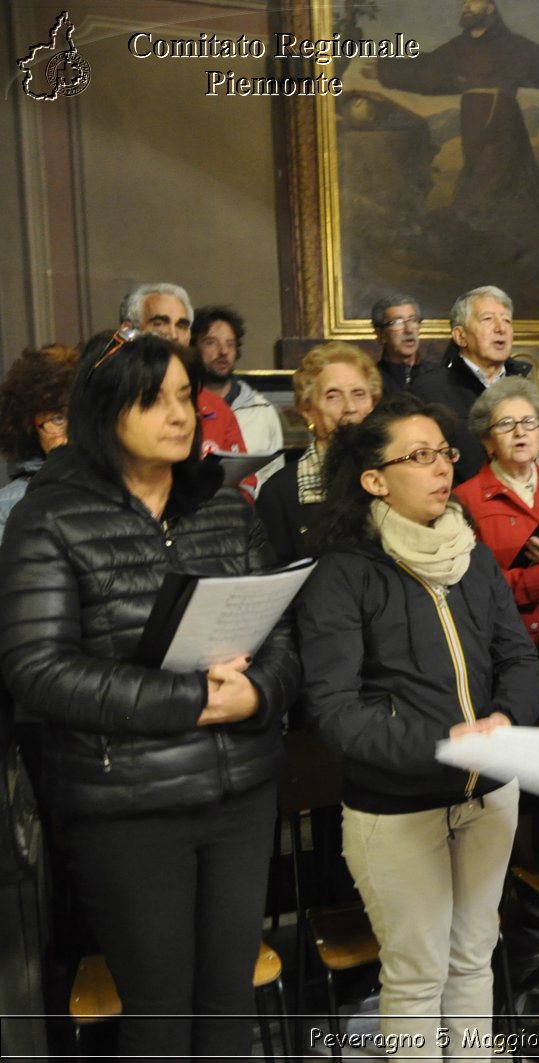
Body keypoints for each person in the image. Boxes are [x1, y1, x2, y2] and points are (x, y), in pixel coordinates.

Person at [0, 329, 297, 1060]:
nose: (179, 415)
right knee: (160, 1009)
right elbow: (36, 669)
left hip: (240, 790)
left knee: (229, 1001)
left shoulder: (224, 505)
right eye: (152, 400)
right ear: (104, 410)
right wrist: (190, 700)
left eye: (183, 398)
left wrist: (258, 693)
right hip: (129, 801)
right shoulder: (51, 514)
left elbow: (284, 633)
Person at [296, 392, 539, 1055]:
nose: (441, 469)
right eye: (420, 455)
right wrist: (439, 746)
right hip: (398, 809)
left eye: (445, 453)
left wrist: (506, 718)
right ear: (375, 479)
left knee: (473, 957)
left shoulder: (470, 551)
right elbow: (335, 708)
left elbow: (515, 653)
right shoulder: (344, 573)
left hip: (488, 792)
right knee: (417, 970)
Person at [371, 0, 539, 274]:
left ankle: (504, 249)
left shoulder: (511, 45)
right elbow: (427, 70)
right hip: (473, 124)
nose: (466, 7)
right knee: (480, 175)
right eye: (464, 3)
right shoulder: (458, 48)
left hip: (502, 122)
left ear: (490, 7)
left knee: (496, 180)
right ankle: (487, 241)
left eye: (473, 2)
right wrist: (385, 72)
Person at [456, 375, 539, 688]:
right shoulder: (464, 501)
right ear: (487, 441)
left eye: (529, 422)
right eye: (506, 424)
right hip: (506, 659)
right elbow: (470, 593)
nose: (520, 431)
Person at [256, 342, 381, 563]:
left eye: (359, 394)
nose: (350, 407)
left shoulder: (395, 473)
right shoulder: (280, 493)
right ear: (307, 411)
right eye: (333, 396)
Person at [411, 285, 534, 483]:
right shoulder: (429, 390)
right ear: (460, 336)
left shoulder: (522, 388)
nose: (501, 328)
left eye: (507, 321)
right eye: (488, 319)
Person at [122, 282, 248, 457]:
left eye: (182, 326)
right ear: (128, 331)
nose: (173, 335)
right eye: (159, 323)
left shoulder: (216, 408)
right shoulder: (115, 403)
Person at [0, 345, 76, 537]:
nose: (70, 434)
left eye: (79, 416)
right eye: (57, 419)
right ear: (29, 426)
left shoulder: (123, 492)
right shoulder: (8, 509)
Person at [192, 305, 285, 460]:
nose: (223, 351)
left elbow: (274, 476)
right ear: (194, 347)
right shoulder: (184, 409)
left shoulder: (261, 411)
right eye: (211, 342)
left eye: (230, 344)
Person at [371, 293, 439, 394]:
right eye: (397, 322)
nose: (409, 329)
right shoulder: (371, 380)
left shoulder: (439, 376)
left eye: (413, 320)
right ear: (381, 334)